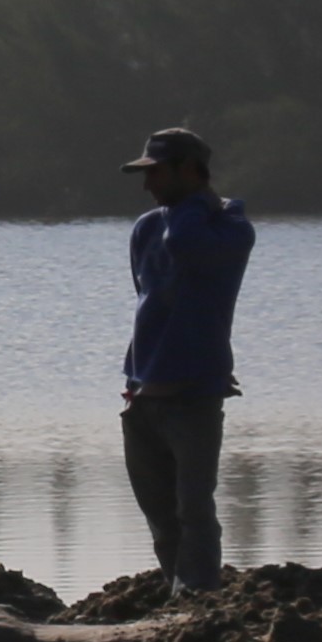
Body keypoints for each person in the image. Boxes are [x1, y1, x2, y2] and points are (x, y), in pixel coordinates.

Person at [119, 127, 253, 594]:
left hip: (195, 396)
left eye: (156, 172)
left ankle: (198, 597)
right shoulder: (146, 228)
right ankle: (177, 595)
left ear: (191, 170)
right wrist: (137, 378)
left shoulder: (229, 229)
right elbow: (149, 300)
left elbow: (186, 246)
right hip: (143, 396)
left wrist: (197, 203)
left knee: (193, 510)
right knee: (160, 516)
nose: (147, 184)